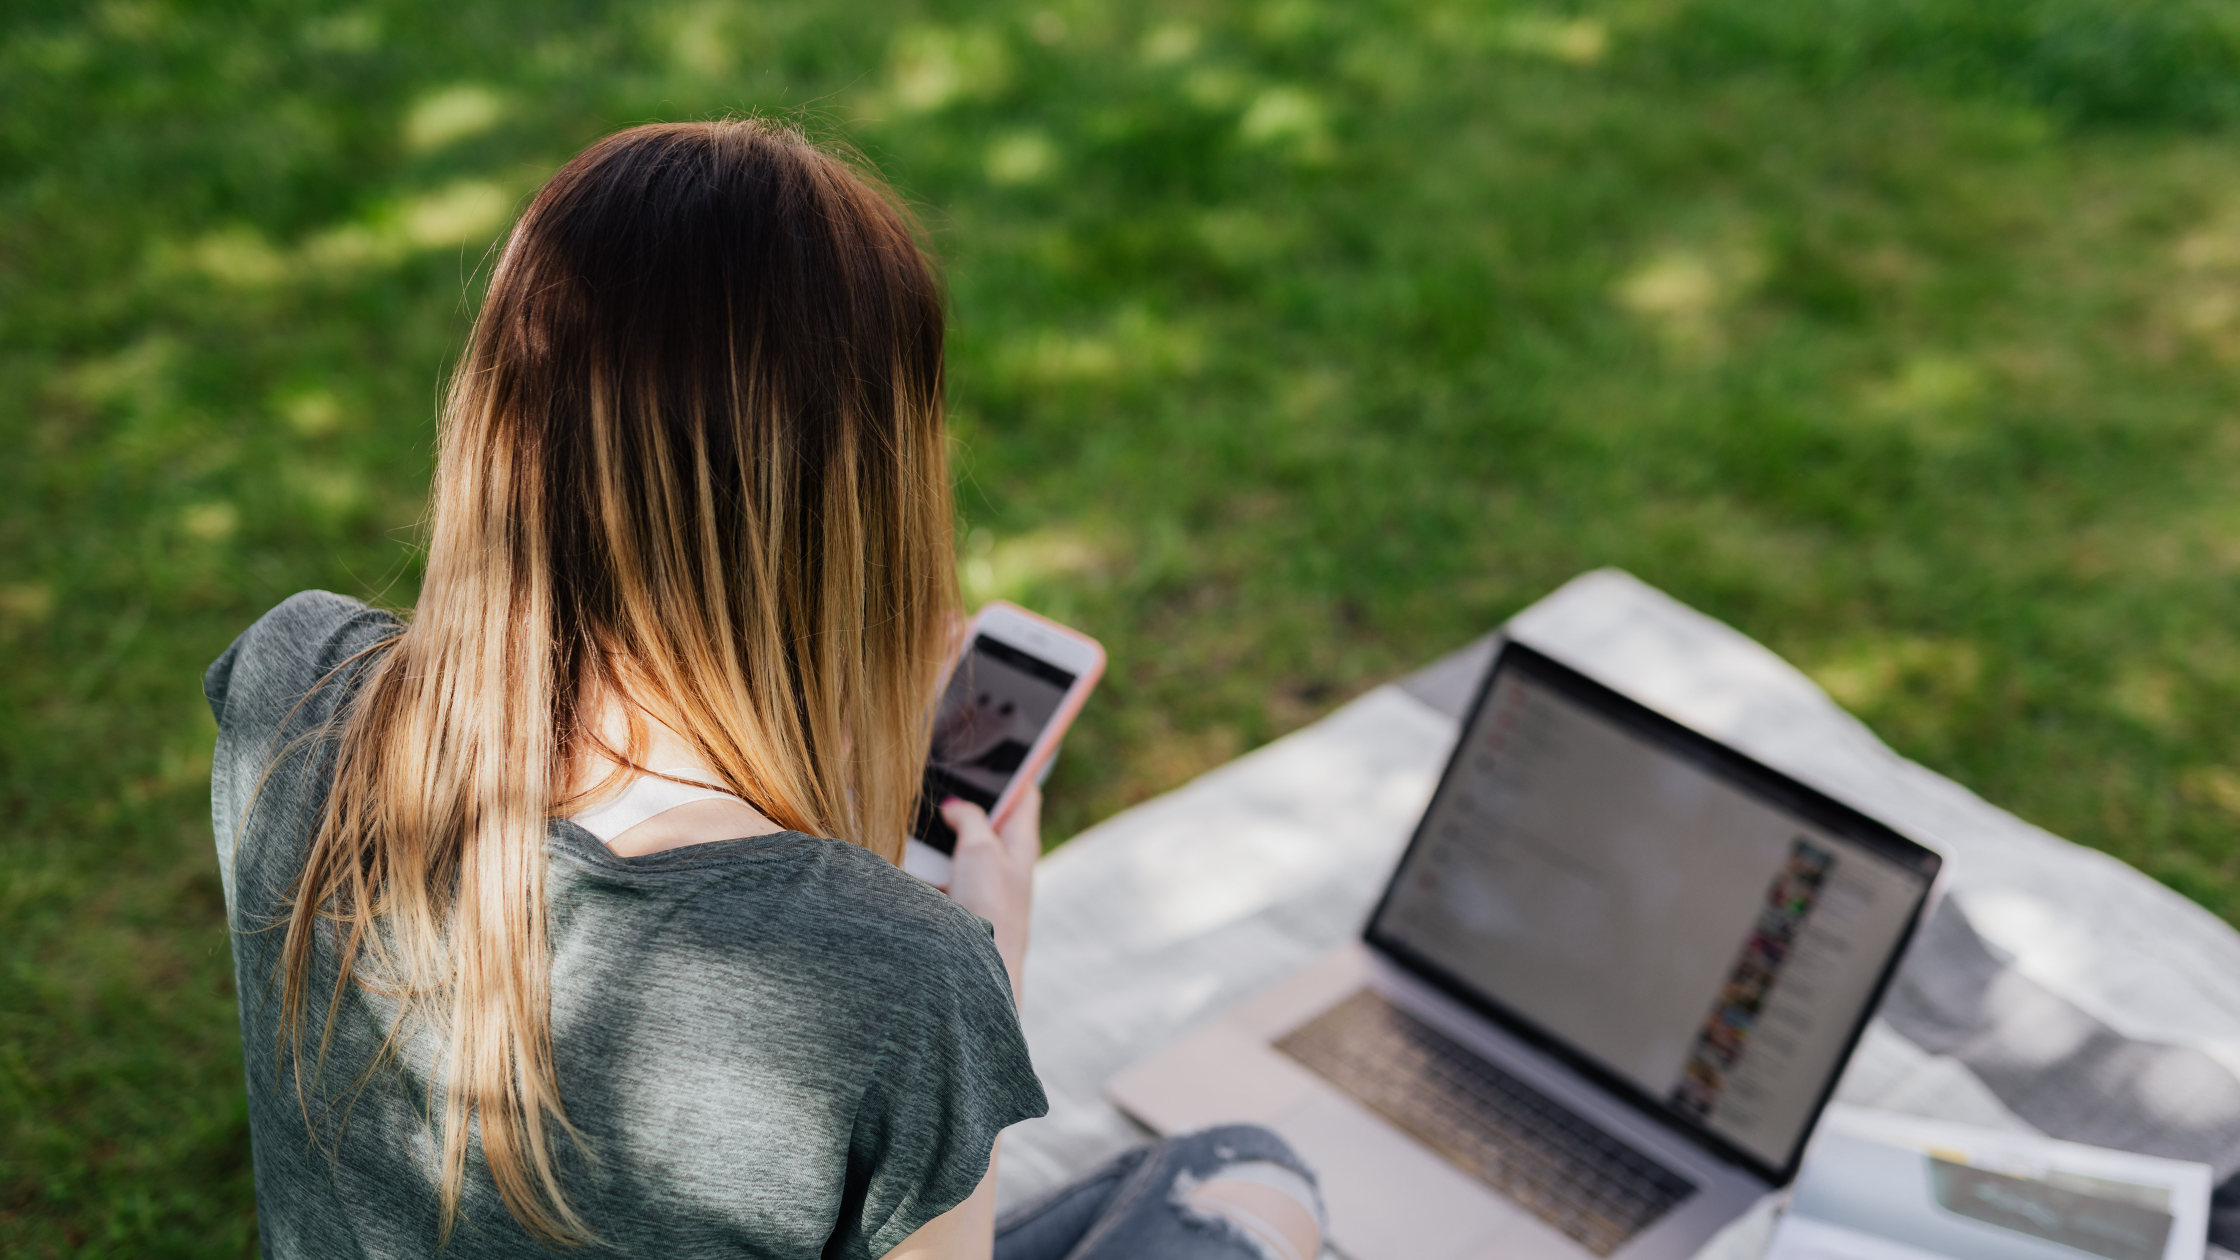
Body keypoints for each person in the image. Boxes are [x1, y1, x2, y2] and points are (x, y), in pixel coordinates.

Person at [205, 119, 1325, 1260]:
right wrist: (987, 956)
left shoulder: (286, 684)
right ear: (862, 499)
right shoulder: (899, 978)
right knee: (1248, 1182)